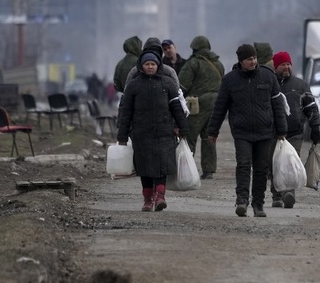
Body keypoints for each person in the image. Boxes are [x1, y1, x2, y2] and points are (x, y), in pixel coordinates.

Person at [207, 43, 287, 217]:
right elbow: (220, 107)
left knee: (261, 168)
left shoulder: (268, 77)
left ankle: (258, 204)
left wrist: (281, 130)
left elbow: (277, 105)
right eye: (249, 59)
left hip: (265, 131)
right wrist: (213, 131)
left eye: (254, 58)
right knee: (243, 165)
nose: (253, 61)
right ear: (241, 61)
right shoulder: (230, 80)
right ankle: (242, 200)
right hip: (242, 132)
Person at [117, 51, 189, 212]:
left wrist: (182, 126)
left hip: (164, 132)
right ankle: (148, 199)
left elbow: (177, 108)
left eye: (153, 64)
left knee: (162, 165)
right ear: (141, 66)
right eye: (147, 64)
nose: (150, 67)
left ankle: (160, 196)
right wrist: (122, 135)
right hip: (141, 133)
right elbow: (126, 111)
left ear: (158, 66)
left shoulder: (168, 84)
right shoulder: (133, 86)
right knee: (145, 168)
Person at [270, 51, 320, 208]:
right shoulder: (270, 84)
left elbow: (311, 107)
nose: (286, 67)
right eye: (282, 65)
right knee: (274, 163)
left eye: (288, 64)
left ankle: (289, 193)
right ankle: (276, 195)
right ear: (276, 67)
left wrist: (315, 127)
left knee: (291, 161)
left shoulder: (301, 85)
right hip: (272, 132)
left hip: (294, 133)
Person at [178, 35, 225, 179]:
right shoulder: (218, 64)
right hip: (216, 103)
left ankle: (187, 169)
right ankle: (209, 170)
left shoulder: (193, 63)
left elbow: (181, 85)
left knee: (189, 136)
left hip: (196, 104)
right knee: (208, 137)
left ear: (194, 48)